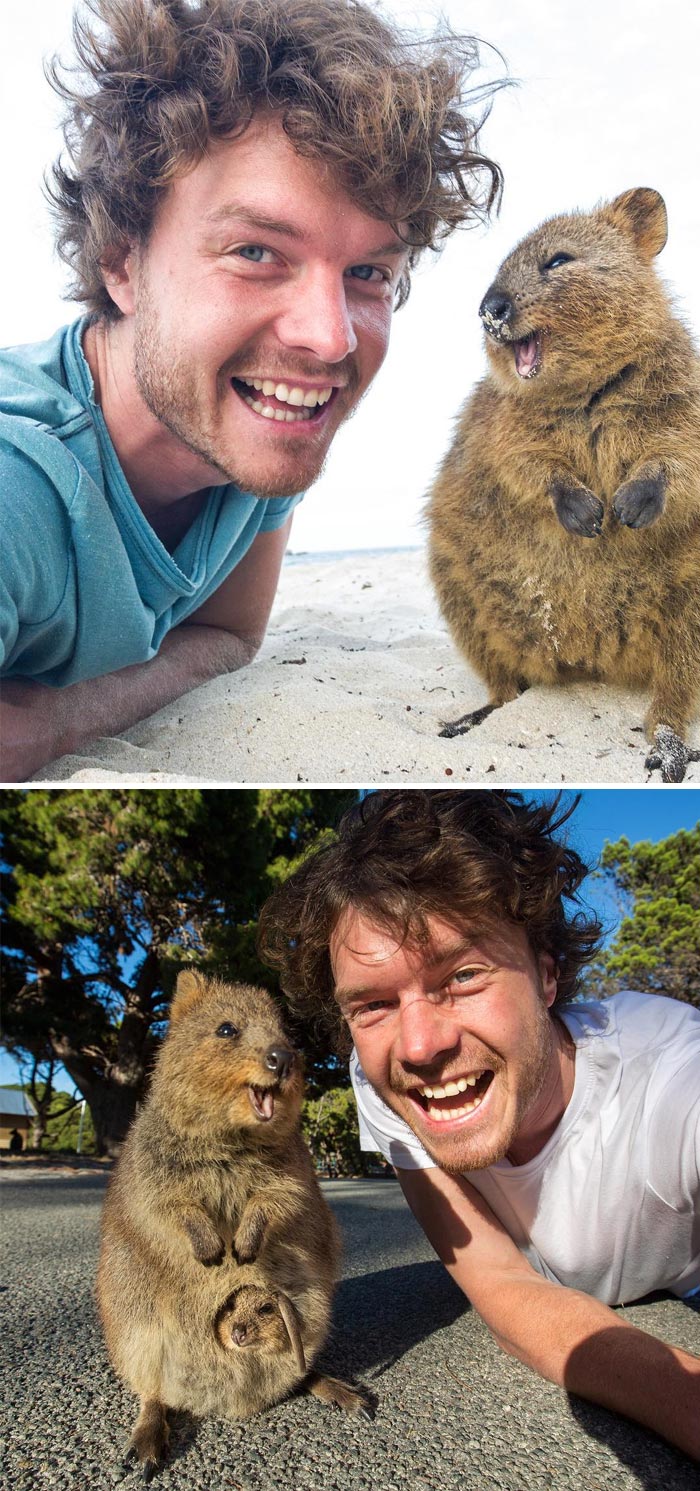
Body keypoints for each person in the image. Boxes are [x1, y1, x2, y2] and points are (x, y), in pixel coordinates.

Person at [0, 0, 502, 782]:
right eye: (257, 251)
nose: (330, 337)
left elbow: (232, 637)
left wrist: (64, 720)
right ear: (121, 260)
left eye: (368, 272)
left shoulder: (247, 432)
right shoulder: (17, 487)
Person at [258, 789, 700, 1462]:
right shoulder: (384, 1082)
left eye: (462, 975)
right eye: (373, 1003)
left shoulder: (669, 1078)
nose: (417, 1044)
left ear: (547, 976)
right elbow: (502, 1285)